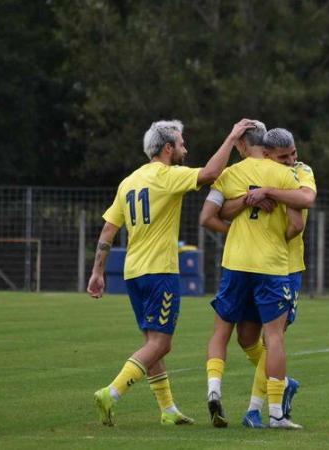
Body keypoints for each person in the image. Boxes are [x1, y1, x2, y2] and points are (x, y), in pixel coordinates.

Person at [87, 118, 255, 427]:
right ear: (167, 148)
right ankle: (112, 392)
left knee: (152, 342)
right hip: (159, 272)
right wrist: (232, 138)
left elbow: (109, 229)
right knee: (161, 344)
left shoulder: (129, 181)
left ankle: (168, 410)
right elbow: (210, 174)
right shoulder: (166, 176)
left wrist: (97, 271)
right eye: (180, 144)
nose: (185, 149)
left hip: (133, 273)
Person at [202, 127, 314, 430]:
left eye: (293, 154)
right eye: (284, 156)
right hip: (272, 264)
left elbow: (211, 214)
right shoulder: (281, 174)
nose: (291, 160)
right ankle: (279, 394)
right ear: (267, 152)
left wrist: (261, 195)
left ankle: (253, 408)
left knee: (242, 334)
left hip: (272, 266)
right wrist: (274, 228)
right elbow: (295, 222)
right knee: (253, 338)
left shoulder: (297, 171)